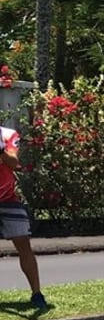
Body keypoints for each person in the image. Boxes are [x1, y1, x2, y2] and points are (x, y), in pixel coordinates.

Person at [1, 124, 48, 309]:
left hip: (7, 198)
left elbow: (13, 163)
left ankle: (36, 294)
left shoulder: (9, 135)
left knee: (23, 243)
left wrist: (0, 148)